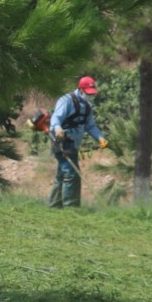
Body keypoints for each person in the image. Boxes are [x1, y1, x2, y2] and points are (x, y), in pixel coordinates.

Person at [46, 76, 107, 208]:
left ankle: (54, 205)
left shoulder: (88, 107)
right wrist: (57, 128)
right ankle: (71, 208)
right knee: (71, 173)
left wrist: (100, 138)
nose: (89, 96)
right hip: (60, 141)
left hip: (74, 144)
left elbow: (90, 126)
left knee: (63, 174)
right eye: (87, 93)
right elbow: (56, 118)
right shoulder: (66, 101)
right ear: (80, 89)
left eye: (91, 94)